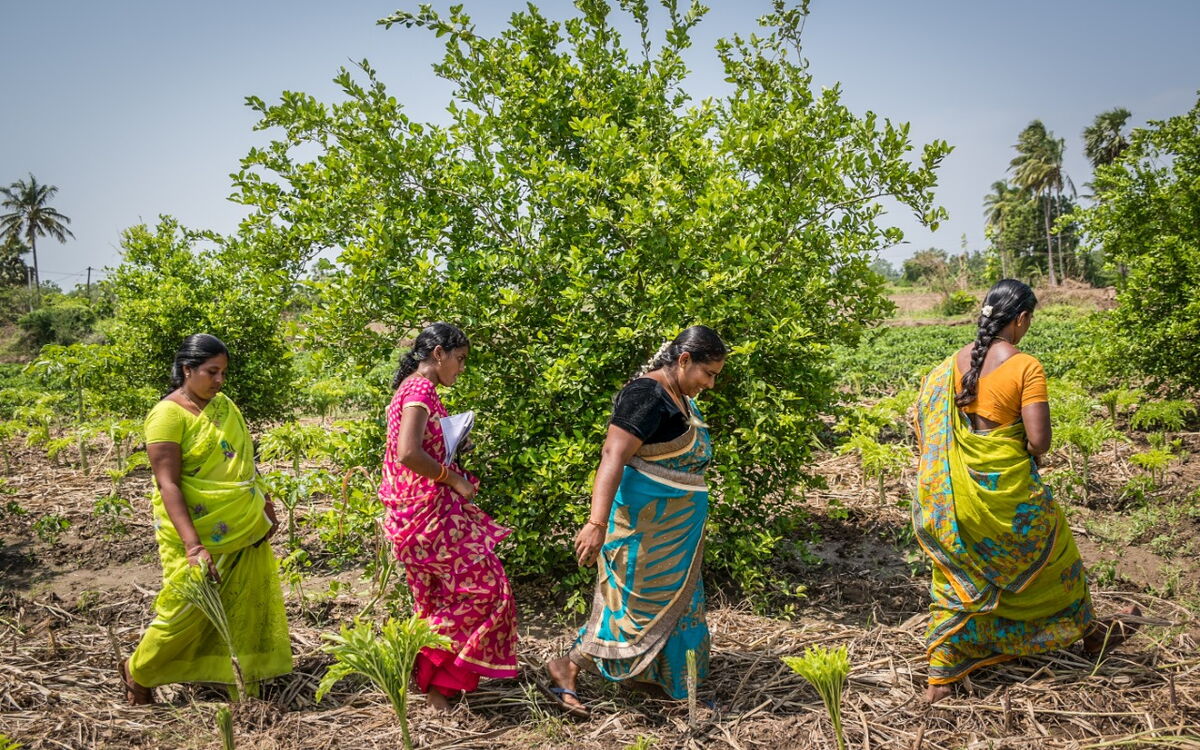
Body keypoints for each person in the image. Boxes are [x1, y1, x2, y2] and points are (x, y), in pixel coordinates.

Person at [913, 279, 1139, 703]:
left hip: (956, 501)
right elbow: (1039, 442)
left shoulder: (947, 368)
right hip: (1011, 499)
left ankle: (940, 680)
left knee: (955, 581)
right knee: (1059, 563)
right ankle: (1092, 638)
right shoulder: (1024, 366)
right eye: (1029, 320)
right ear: (1020, 318)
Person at [544, 325, 728, 718]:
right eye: (707, 373)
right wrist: (596, 524)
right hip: (643, 529)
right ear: (683, 361)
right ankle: (567, 666)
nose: (710, 384)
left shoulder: (678, 395)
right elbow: (612, 455)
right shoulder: (646, 395)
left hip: (675, 534)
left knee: (679, 606)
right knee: (630, 608)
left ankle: (668, 685)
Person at [121, 334, 292, 705]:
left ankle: (235, 679)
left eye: (223, 373)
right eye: (211, 372)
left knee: (240, 603)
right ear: (187, 370)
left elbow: (243, 462)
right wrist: (193, 545)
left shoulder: (224, 406)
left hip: (242, 522)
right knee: (183, 608)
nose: (219, 381)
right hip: (193, 530)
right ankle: (139, 672)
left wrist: (264, 502)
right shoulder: (167, 415)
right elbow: (168, 484)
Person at [379, 323, 518, 712]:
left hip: (421, 513)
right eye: (459, 359)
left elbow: (417, 446)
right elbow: (408, 452)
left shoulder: (415, 390)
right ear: (438, 354)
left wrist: (451, 443)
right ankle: (428, 671)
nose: (460, 368)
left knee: (440, 598)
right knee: (487, 588)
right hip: (425, 514)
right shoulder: (420, 389)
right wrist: (454, 478)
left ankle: (437, 686)